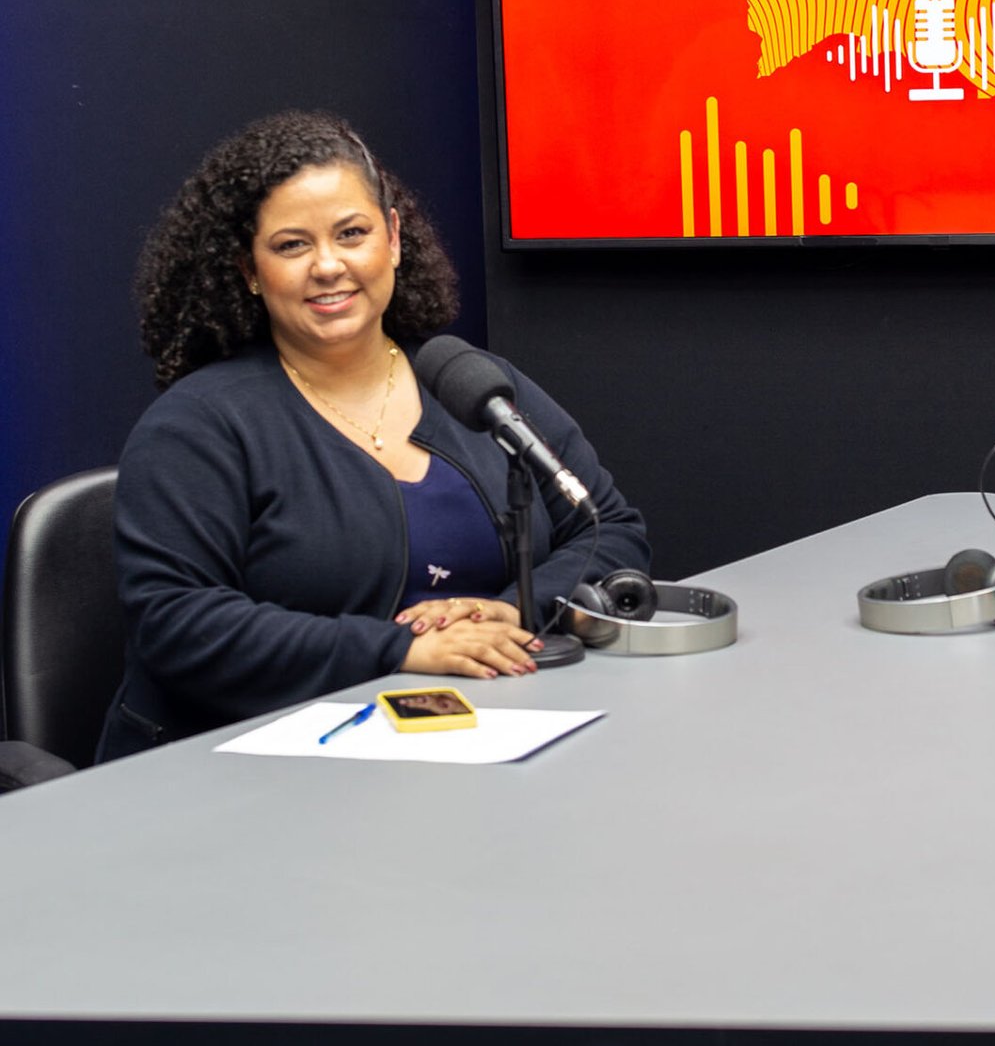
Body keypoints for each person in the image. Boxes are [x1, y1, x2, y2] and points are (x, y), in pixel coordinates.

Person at [99, 111, 649, 759]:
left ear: (392, 238)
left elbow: (610, 529)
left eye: (352, 234)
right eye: (291, 246)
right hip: (244, 770)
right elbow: (176, 624)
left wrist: (513, 611)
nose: (328, 265)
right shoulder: (198, 425)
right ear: (249, 270)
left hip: (477, 740)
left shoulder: (470, 385)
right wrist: (402, 649)